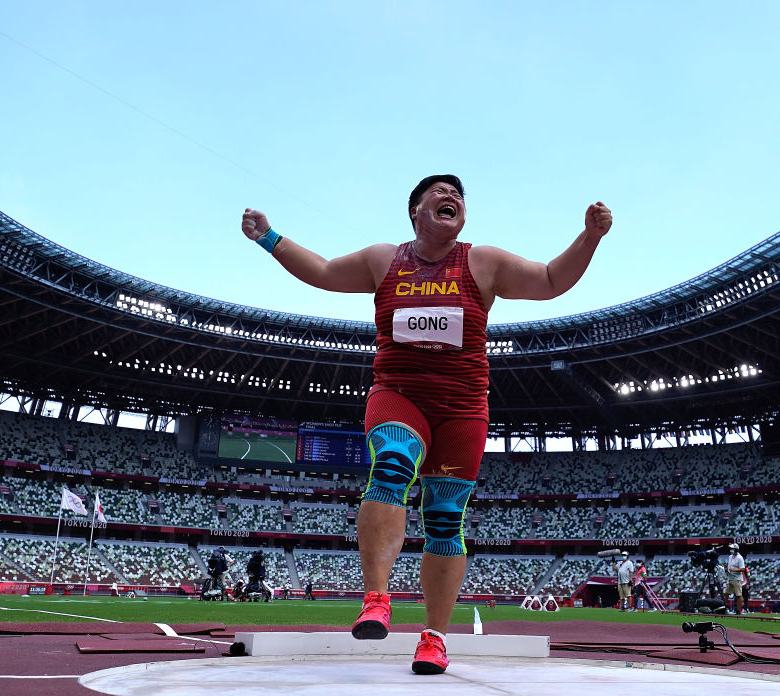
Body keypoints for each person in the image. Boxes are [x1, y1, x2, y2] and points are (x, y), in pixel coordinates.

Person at [242, 175, 612, 674]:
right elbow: (325, 272)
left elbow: (549, 280)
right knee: (392, 466)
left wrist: (589, 237)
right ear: (415, 210)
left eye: (458, 194)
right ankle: (377, 599)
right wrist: (269, 237)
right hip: (399, 394)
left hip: (462, 408)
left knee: (444, 518)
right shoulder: (383, 259)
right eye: (439, 191)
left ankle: (434, 637)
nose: (452, 196)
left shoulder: (483, 262)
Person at [726, 543, 746, 614]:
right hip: (730, 578)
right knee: (725, 594)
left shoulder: (740, 558)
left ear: (736, 549)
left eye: (732, 548)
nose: (730, 550)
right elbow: (729, 566)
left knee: (738, 595)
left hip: (737, 579)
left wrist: (733, 570)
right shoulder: (730, 557)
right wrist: (727, 569)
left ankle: (739, 610)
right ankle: (724, 608)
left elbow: (742, 569)